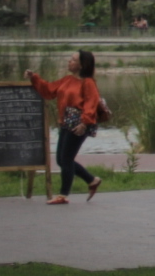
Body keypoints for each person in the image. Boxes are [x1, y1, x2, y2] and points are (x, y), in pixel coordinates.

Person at [34, 49, 106, 205]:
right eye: (70, 59)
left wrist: (84, 123)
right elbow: (49, 90)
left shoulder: (88, 83)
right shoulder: (68, 80)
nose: (69, 61)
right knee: (61, 159)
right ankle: (92, 180)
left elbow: (91, 104)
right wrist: (34, 78)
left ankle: (63, 195)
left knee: (66, 159)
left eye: (73, 60)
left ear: (81, 65)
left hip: (79, 124)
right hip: (66, 122)